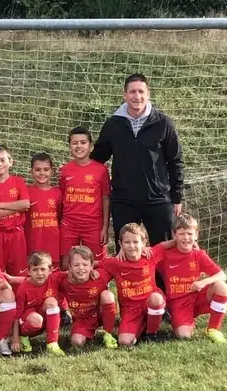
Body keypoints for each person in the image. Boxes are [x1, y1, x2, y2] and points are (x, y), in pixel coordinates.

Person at [90, 73, 184, 250]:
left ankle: (160, 280)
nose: (137, 96)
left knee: (162, 252)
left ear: (148, 94)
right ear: (124, 94)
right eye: (132, 91)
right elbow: (98, 157)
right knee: (126, 252)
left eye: (141, 91)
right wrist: (77, 166)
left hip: (158, 199)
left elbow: (175, 161)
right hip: (124, 200)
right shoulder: (113, 124)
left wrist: (176, 198)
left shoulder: (164, 123)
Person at [157, 214, 227, 343]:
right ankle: (186, 321)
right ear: (174, 235)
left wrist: (203, 282)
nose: (186, 238)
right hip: (178, 303)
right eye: (181, 234)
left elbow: (222, 275)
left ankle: (213, 329)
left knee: (221, 286)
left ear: (196, 235)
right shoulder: (165, 255)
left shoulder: (198, 254)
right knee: (183, 335)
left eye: (190, 234)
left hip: (197, 297)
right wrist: (123, 249)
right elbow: (146, 253)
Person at [100, 223, 171, 346]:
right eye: (127, 242)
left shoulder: (150, 255)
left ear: (144, 243)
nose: (132, 246)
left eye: (135, 242)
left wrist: (192, 243)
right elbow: (97, 263)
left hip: (149, 302)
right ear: (120, 244)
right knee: (124, 342)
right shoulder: (116, 262)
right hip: (130, 310)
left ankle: (151, 334)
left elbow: (167, 244)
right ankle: (143, 324)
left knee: (156, 298)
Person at [59, 127, 110, 269]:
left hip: (93, 225)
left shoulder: (101, 170)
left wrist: (105, 227)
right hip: (69, 225)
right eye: (74, 143)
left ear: (90, 146)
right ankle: (68, 292)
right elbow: (62, 197)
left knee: (96, 266)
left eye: (83, 142)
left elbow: (105, 198)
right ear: (70, 146)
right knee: (66, 265)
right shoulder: (64, 170)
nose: (79, 146)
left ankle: (97, 291)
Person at [0, 145, 30, 280]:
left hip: (17, 234)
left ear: (10, 161)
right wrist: (17, 207)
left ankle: (19, 301)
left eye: (2, 160)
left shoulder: (18, 181)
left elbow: (26, 204)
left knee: (18, 273)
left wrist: (3, 206)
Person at [59, 246, 117, 349]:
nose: (81, 268)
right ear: (70, 267)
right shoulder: (64, 281)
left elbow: (117, 264)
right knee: (76, 342)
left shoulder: (100, 275)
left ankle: (108, 333)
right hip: (83, 320)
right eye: (76, 265)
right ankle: (89, 332)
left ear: (91, 266)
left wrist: (140, 250)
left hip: (100, 314)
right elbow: (44, 280)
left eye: (85, 264)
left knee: (107, 296)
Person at [10, 251, 65, 356]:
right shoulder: (24, 288)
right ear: (29, 272)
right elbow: (16, 315)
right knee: (36, 320)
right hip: (29, 320)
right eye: (35, 270)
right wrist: (15, 339)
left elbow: (72, 273)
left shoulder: (54, 278)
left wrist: (91, 271)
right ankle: (23, 337)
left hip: (44, 316)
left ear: (50, 270)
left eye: (43, 269)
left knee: (52, 302)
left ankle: (52, 343)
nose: (39, 273)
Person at [25, 153, 62, 272]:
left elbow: (60, 217)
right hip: (33, 243)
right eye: (37, 170)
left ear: (52, 171)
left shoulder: (58, 193)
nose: (42, 173)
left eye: (46, 169)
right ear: (31, 171)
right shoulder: (26, 191)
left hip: (53, 245)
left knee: (53, 279)